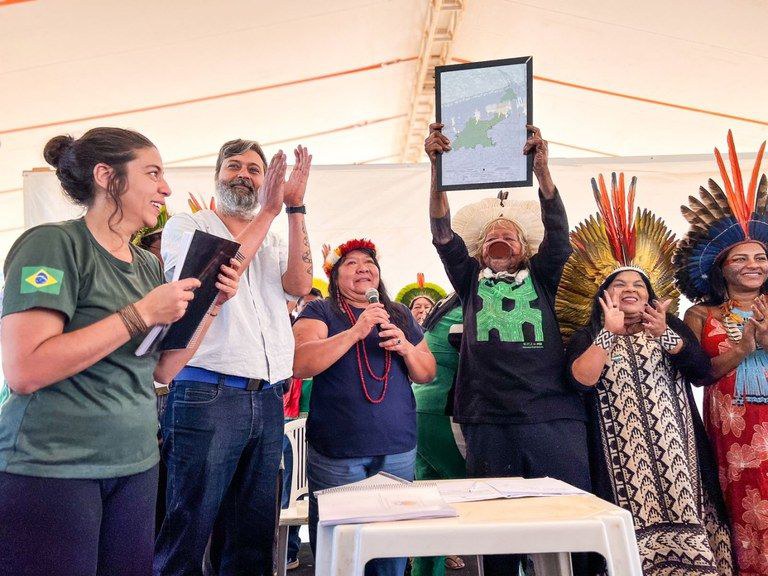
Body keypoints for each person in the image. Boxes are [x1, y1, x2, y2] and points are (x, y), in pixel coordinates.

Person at [0, 128, 239, 576]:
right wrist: (141, 312)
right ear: (106, 176)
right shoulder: (53, 244)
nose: (165, 188)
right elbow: (25, 368)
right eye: (152, 173)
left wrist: (211, 306)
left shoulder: (147, 264)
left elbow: (164, 368)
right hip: (54, 468)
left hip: (136, 464)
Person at [425, 123, 590, 575]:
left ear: (523, 248)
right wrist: (437, 168)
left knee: (571, 528)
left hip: (552, 415)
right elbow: (441, 232)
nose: (501, 237)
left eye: (510, 234)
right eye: (493, 235)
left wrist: (543, 172)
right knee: (496, 535)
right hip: (488, 418)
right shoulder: (469, 279)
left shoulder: (544, 277)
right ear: (480, 250)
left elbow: (559, 234)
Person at [561, 173, 733, 575]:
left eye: (638, 283)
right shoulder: (589, 333)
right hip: (617, 457)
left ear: (651, 292)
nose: (630, 288)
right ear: (605, 295)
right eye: (619, 284)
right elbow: (580, 381)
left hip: (679, 456)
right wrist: (607, 335)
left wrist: (666, 336)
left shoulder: (668, 325)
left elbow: (701, 373)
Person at [155, 141, 313, 576]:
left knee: (251, 535)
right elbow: (218, 274)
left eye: (255, 169)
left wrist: (296, 210)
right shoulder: (190, 224)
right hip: (207, 393)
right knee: (188, 527)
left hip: (266, 399)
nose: (244, 174)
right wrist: (269, 211)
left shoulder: (276, 236)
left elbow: (300, 285)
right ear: (217, 175)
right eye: (234, 166)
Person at [293, 238, 436, 576]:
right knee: (340, 546)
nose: (362, 268)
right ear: (335, 276)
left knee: (391, 547)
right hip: (339, 452)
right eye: (351, 263)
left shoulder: (398, 313)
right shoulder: (320, 311)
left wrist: (406, 348)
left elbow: (427, 372)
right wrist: (357, 330)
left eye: (368, 262)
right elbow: (300, 363)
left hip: (397, 448)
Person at [677, 132, 768, 575]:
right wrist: (743, 349)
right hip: (733, 423)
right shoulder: (700, 313)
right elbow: (698, 375)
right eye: (741, 258)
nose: (753, 264)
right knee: (742, 505)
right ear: (721, 267)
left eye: (761, 257)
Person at [410, 293, 467, 576]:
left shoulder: (450, 302)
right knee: (486, 506)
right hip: (444, 412)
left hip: (421, 409)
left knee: (429, 509)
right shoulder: (470, 300)